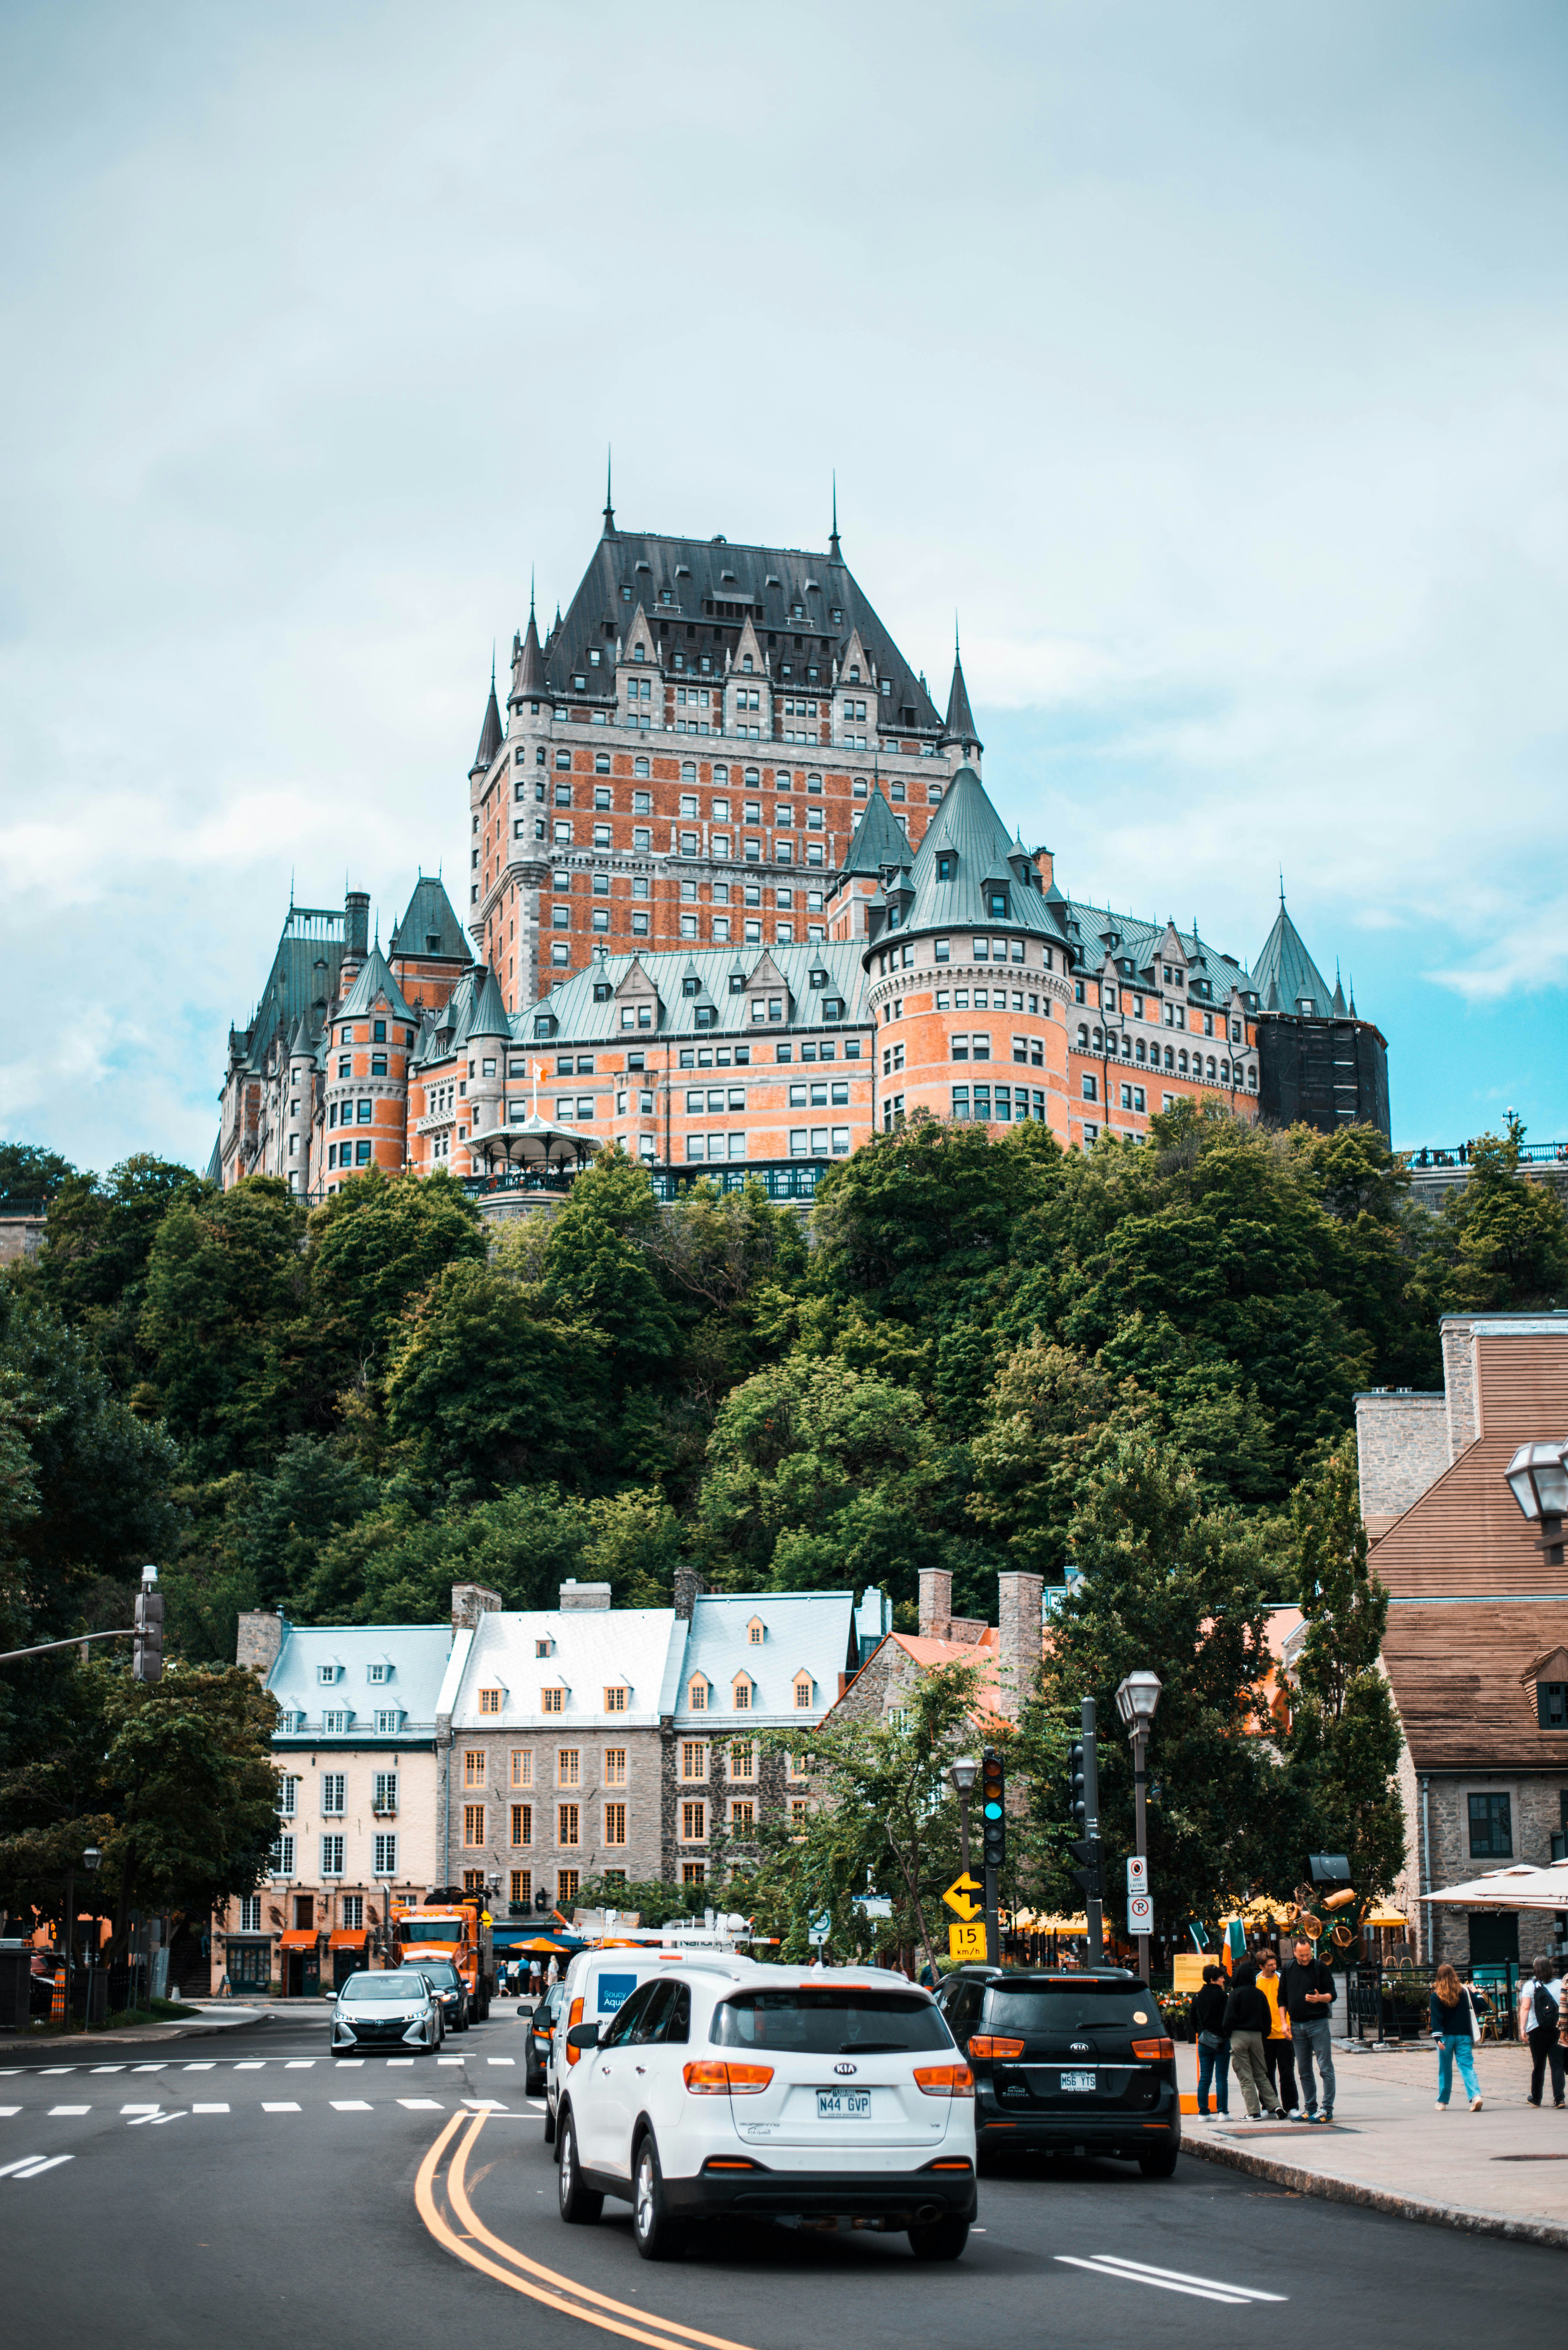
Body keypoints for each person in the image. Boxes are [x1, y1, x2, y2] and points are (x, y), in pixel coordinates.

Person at [1281, 1935, 1337, 2125]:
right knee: (1304, 2070)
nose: (1305, 1959)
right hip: (1296, 2025)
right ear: (1294, 1952)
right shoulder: (1288, 1968)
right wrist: (1284, 2022)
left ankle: (1327, 2110)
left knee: (1325, 2068)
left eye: (1308, 1955)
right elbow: (1282, 1998)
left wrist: (1320, 1998)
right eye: (1301, 1955)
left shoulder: (1319, 1966)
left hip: (1318, 2024)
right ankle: (1310, 2108)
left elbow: (1333, 1995)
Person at [1221, 1962, 1282, 2117]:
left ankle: (1254, 2113)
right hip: (1257, 2036)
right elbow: (1267, 2018)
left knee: (1245, 2076)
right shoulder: (1260, 1994)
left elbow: (1228, 2019)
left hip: (1239, 2035)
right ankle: (1276, 2107)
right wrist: (1263, 2036)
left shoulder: (1236, 1994)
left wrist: (1229, 2034)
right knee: (1261, 2074)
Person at [1430, 1963, 1483, 2109]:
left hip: (1446, 2037)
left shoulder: (1437, 1996)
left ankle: (1443, 2102)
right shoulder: (1465, 1992)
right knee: (1467, 2066)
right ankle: (1476, 2095)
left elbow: (1437, 2019)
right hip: (1464, 2035)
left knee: (1445, 2069)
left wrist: (1438, 2038)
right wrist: (1476, 1992)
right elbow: (1482, 2006)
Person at [1519, 1955, 1565, 2110]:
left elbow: (1525, 2008)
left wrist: (1522, 2029)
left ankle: (1536, 2098)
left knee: (1539, 2065)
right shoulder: (1560, 1984)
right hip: (1557, 2029)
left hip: (1537, 2029)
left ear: (1535, 1970)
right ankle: (1559, 2099)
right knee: (1557, 2065)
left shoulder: (1530, 1986)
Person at [1258, 1952, 1300, 2117]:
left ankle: (1292, 2107)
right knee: (1266, 2074)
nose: (1274, 1967)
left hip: (1284, 2034)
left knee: (1287, 2073)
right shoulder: (1257, 1982)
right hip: (1265, 2037)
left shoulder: (1283, 1979)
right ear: (1261, 1967)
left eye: (1275, 1964)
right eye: (1270, 1965)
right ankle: (1269, 2107)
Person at [1191, 1962, 1231, 2116]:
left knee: (1205, 2078)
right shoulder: (1223, 1996)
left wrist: (1200, 2033)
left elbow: (1192, 2019)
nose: (1224, 1981)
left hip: (1204, 2041)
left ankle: (1203, 2112)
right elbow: (1228, 2019)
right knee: (1221, 2077)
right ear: (1214, 1979)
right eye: (1221, 1977)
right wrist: (1225, 2034)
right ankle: (1223, 2112)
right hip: (1222, 2041)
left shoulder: (1198, 1995)